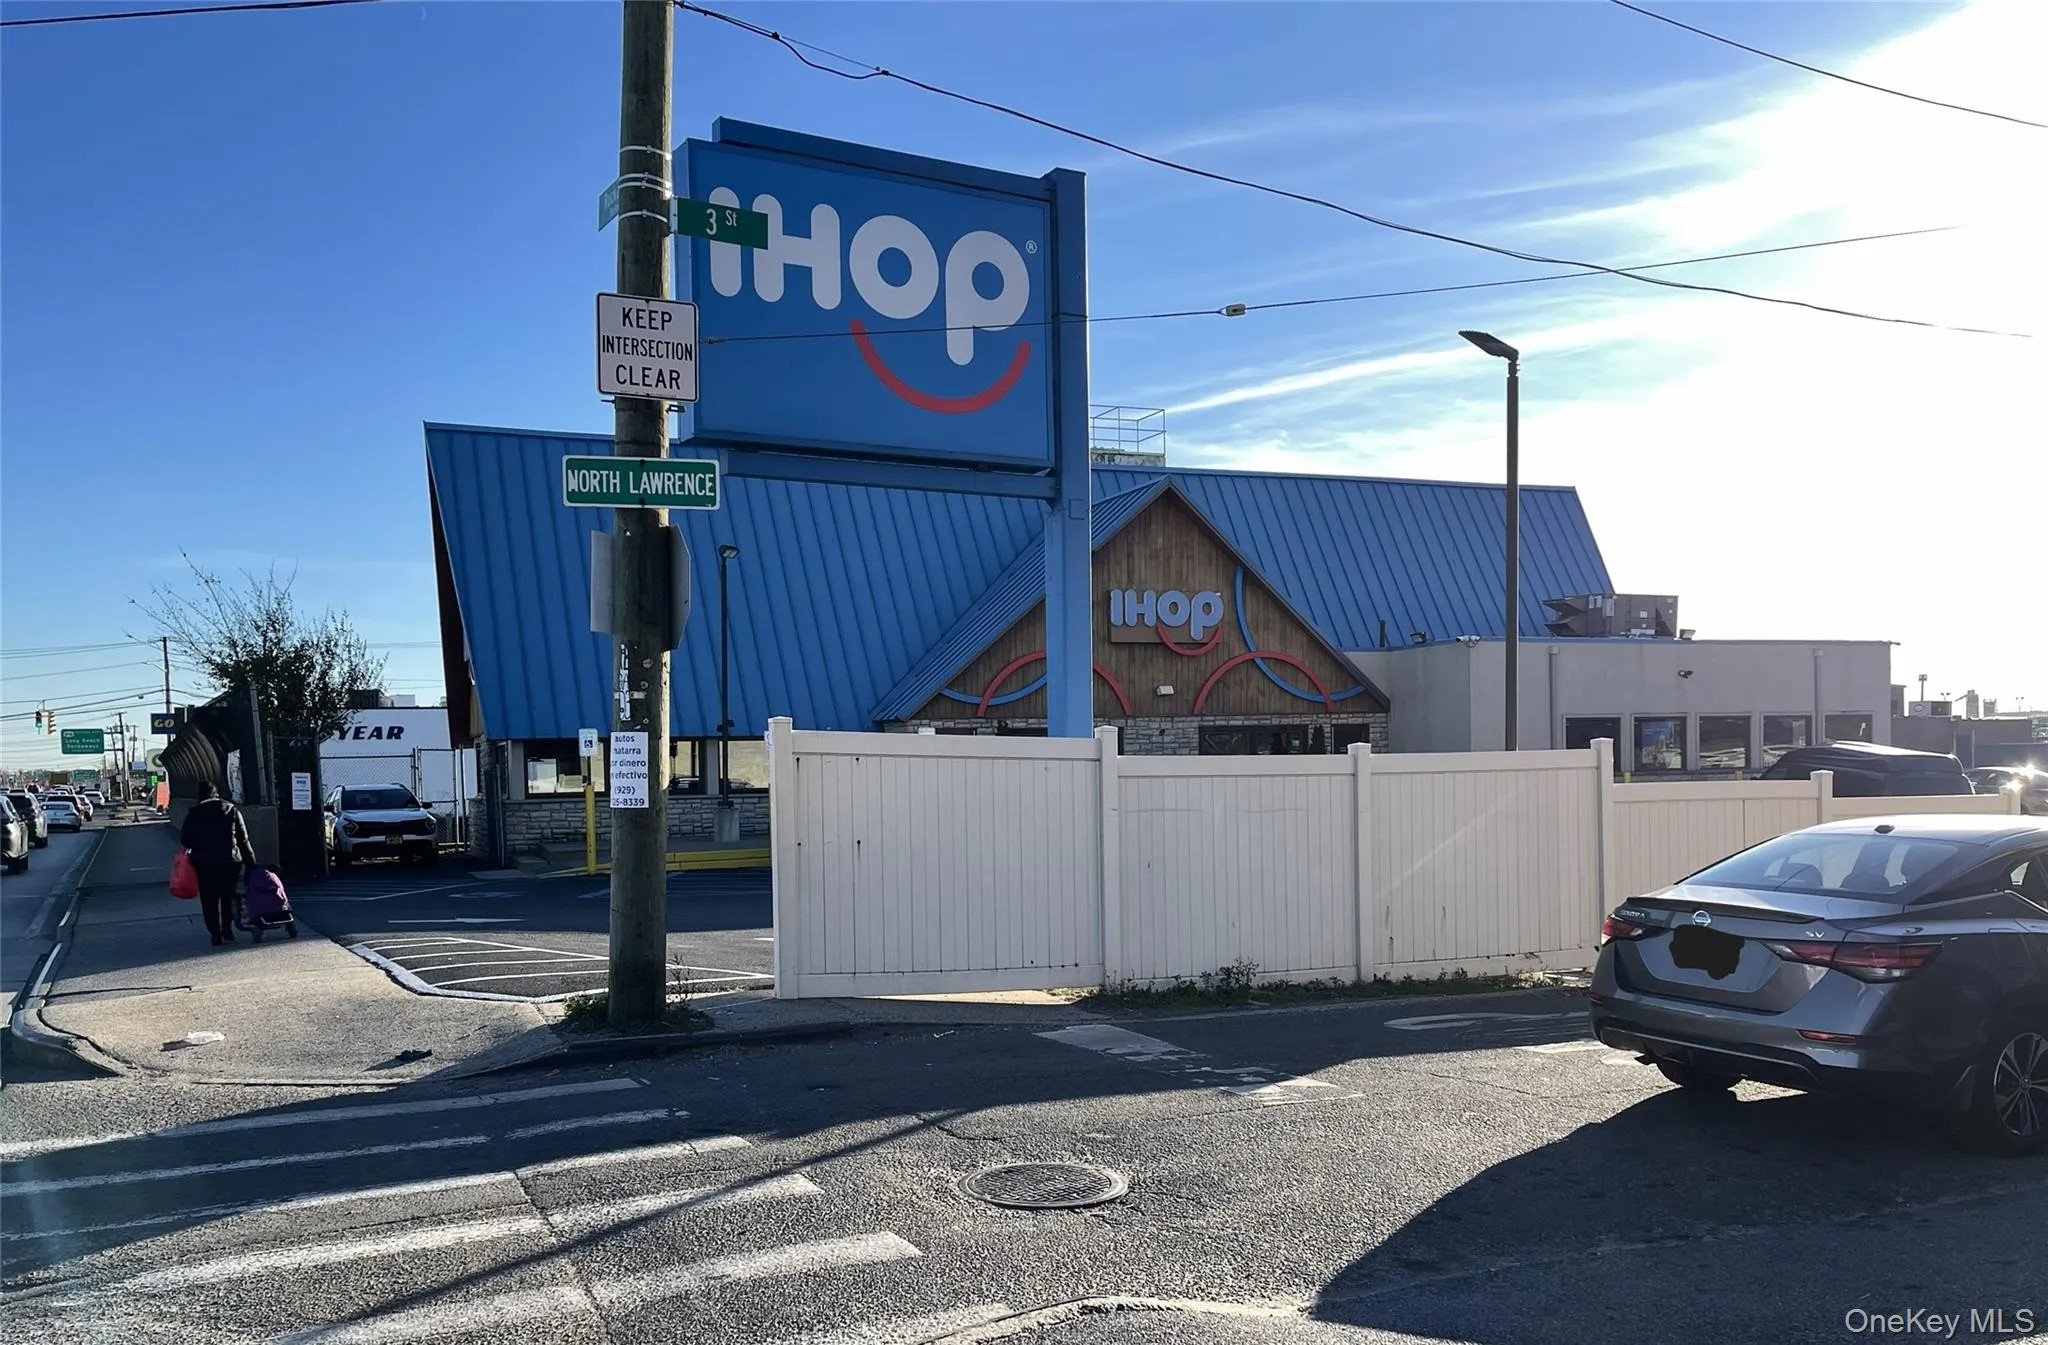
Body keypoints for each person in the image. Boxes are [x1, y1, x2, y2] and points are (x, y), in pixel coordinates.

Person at [180, 782, 255, 946]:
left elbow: (185, 839)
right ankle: (227, 930)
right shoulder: (231, 810)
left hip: (204, 864)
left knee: (209, 899)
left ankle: (215, 934)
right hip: (230, 862)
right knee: (227, 896)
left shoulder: (195, 813)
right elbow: (243, 839)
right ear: (216, 793)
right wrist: (252, 863)